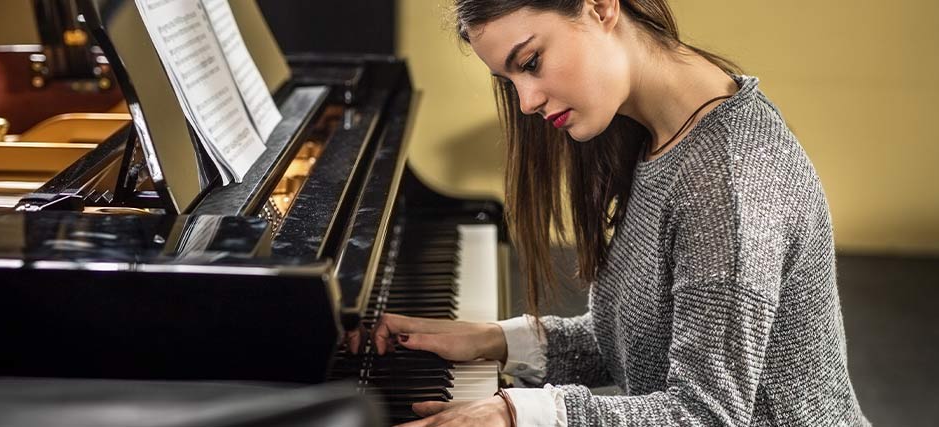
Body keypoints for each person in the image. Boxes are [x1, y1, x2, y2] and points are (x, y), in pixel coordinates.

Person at [360, 0, 870, 425]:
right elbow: (641, 345)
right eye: (508, 80)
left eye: (531, 62)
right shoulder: (652, 134)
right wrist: (493, 339)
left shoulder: (725, 179)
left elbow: (705, 415)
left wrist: (515, 414)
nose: (526, 102)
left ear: (601, 7)